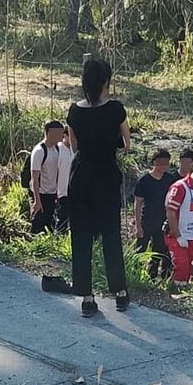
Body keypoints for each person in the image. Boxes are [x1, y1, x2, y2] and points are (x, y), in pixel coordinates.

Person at [67, 58, 131, 317]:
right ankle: (120, 293)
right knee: (111, 236)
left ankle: (87, 297)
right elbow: (126, 142)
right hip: (106, 176)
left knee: (81, 237)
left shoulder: (74, 111)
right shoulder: (116, 109)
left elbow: (74, 147)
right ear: (107, 80)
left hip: (81, 177)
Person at [133, 149, 177, 280]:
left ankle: (152, 277)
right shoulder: (144, 180)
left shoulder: (170, 179)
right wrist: (138, 226)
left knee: (158, 252)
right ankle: (135, 275)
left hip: (163, 222)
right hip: (146, 220)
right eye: (161, 162)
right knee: (140, 250)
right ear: (154, 162)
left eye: (166, 163)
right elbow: (138, 203)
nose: (164, 165)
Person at [29, 121, 64, 234]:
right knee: (37, 225)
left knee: (49, 226)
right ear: (49, 133)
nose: (61, 137)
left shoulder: (57, 149)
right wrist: (37, 201)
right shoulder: (39, 151)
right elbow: (34, 177)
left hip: (52, 194)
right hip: (40, 194)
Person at [55, 126, 74, 233]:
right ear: (65, 135)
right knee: (62, 219)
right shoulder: (58, 149)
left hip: (73, 192)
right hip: (61, 192)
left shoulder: (74, 149)